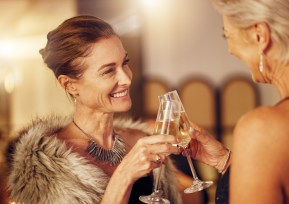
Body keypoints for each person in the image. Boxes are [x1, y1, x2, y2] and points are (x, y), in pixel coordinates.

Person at [5, 15, 182, 204]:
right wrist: (124, 176)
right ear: (70, 85)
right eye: (108, 71)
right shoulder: (42, 167)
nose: (127, 79)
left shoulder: (140, 139)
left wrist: (215, 159)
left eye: (125, 63)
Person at [184, 0, 289, 203]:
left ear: (259, 35)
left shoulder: (263, 130)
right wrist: (225, 160)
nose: (230, 49)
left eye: (227, 35)